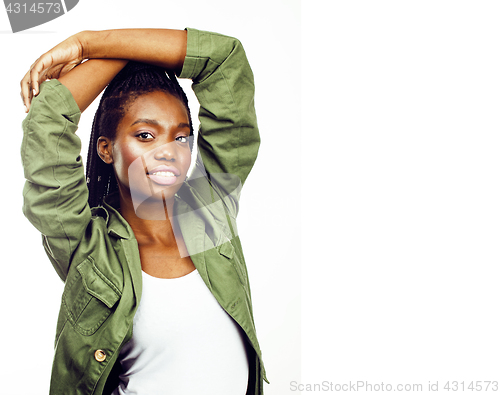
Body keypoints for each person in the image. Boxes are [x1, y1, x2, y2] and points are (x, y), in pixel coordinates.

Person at [20, 27, 267, 395]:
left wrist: (92, 43)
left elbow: (225, 61)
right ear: (107, 149)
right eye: (145, 135)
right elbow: (48, 123)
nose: (168, 151)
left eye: (180, 136)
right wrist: (122, 54)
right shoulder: (86, 245)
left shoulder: (211, 211)